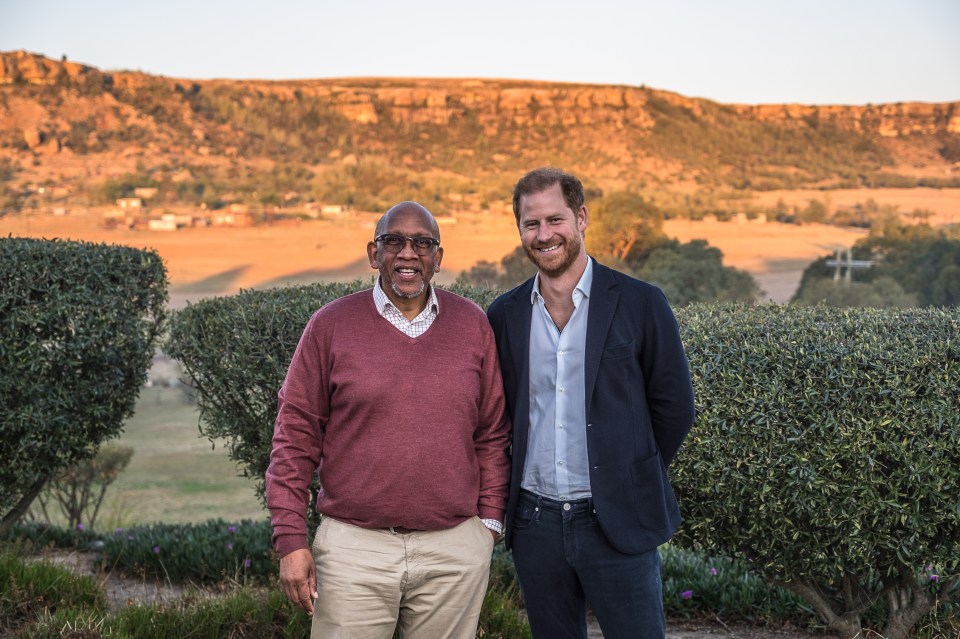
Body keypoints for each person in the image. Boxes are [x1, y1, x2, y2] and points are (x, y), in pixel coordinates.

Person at [265, 201, 510, 639]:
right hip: (354, 548)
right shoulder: (330, 326)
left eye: (422, 243)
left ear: (439, 257)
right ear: (373, 254)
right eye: (393, 241)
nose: (408, 253)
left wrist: (488, 524)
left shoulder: (472, 325)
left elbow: (492, 432)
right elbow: (295, 437)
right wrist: (291, 539)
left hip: (453, 549)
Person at [486, 168, 696, 639]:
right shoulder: (504, 315)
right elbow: (498, 418)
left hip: (617, 519)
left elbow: (675, 406)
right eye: (531, 224)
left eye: (555, 220)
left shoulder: (642, 303)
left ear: (581, 218)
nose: (544, 235)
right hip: (535, 524)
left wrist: (627, 473)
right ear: (519, 230)